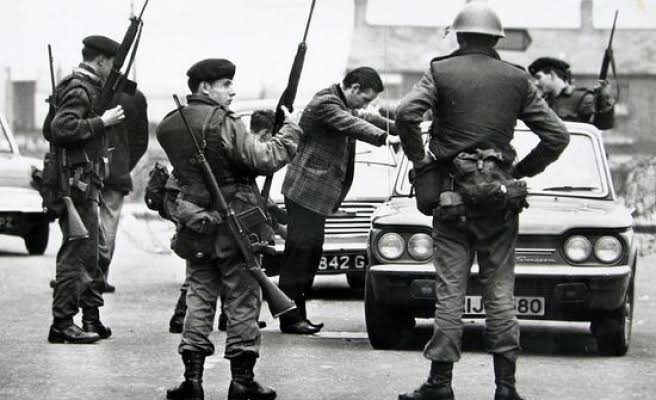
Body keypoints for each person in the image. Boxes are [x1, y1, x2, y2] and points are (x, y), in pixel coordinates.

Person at [395, 3, 570, 400]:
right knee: (501, 294)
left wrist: (420, 160)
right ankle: (506, 387)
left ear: (459, 35)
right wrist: (520, 170)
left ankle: (440, 384)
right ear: (496, 39)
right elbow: (557, 136)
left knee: (450, 294)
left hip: (451, 200)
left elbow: (406, 113)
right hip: (499, 202)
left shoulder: (441, 71)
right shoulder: (517, 78)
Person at [157, 58, 301, 400]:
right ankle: (242, 381)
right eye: (225, 84)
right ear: (205, 87)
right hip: (237, 223)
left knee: (199, 297)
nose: (232, 91)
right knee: (243, 300)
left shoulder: (169, 124)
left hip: (196, 223)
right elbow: (263, 159)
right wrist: (290, 130)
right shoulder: (223, 121)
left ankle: (192, 381)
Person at [278, 67, 395, 334]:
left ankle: (294, 314)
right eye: (365, 98)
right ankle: (291, 317)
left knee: (310, 253)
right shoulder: (326, 103)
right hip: (305, 192)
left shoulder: (342, 102)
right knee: (300, 256)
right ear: (354, 88)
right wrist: (386, 138)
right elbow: (352, 123)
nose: (364, 105)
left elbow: (366, 117)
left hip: (313, 195)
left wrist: (401, 127)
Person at [46, 35, 126, 344]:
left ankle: (90, 317)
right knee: (76, 253)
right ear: (101, 60)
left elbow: (49, 128)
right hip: (75, 184)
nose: (113, 69)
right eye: (111, 63)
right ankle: (62, 323)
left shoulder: (78, 86)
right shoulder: (80, 88)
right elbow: (60, 128)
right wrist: (101, 122)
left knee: (90, 252)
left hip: (83, 180)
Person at [98, 88, 149, 293]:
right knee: (109, 223)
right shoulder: (135, 96)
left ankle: (77, 274)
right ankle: (100, 276)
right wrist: (124, 165)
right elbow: (141, 141)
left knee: (84, 220)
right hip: (116, 169)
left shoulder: (90, 88)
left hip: (86, 167)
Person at [528, 57, 615, 130]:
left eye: (538, 77)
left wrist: (604, 98)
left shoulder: (582, 98)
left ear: (552, 75)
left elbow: (604, 125)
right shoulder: (542, 102)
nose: (536, 82)